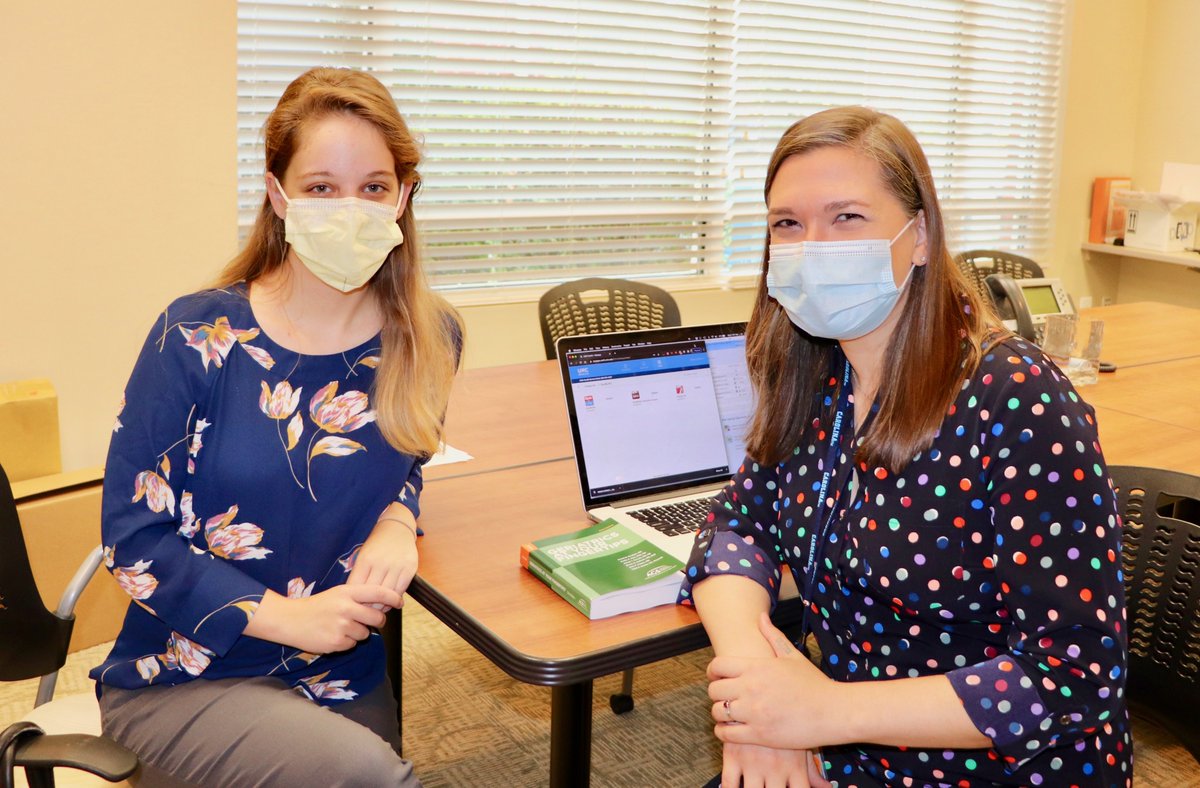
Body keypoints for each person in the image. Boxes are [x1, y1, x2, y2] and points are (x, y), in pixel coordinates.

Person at [679, 107, 1130, 788]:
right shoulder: (818, 376)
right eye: (788, 224)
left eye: (848, 218)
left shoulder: (1015, 399)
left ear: (919, 236)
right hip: (842, 740)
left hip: (1000, 768)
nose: (813, 245)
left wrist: (823, 711)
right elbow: (737, 525)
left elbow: (1072, 678)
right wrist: (759, 692)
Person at [91, 67, 462, 787]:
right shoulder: (196, 336)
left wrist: (395, 519)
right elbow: (131, 540)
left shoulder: (429, 336)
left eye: (374, 187)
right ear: (278, 195)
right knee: (375, 779)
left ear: (403, 198)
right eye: (322, 187)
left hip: (339, 665)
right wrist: (292, 621)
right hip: (187, 669)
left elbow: (407, 458)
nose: (349, 207)